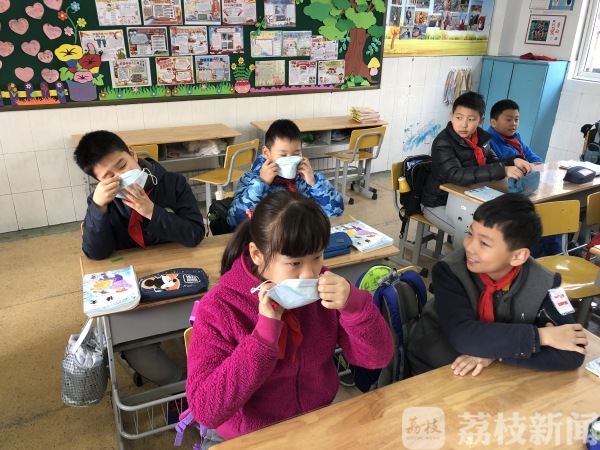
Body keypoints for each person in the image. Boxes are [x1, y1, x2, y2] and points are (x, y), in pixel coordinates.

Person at [187, 191, 393, 447]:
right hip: (245, 436)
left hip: (316, 420)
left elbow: (378, 357)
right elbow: (206, 410)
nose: (309, 274)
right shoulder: (220, 307)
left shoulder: (326, 288)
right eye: (294, 263)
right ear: (257, 255)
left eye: (317, 257)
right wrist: (263, 338)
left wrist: (355, 306)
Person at [74, 130, 205, 385]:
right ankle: (180, 388)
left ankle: (205, 378)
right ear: (98, 182)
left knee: (205, 327)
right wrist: (98, 207)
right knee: (137, 346)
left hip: (180, 282)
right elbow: (96, 253)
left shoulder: (173, 184)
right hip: (136, 290)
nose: (121, 176)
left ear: (133, 154)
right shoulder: (104, 202)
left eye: (123, 165)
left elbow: (194, 234)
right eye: (109, 177)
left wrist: (153, 212)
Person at [407, 194, 588, 376]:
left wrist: (495, 354)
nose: (469, 247)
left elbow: (574, 352)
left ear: (518, 256)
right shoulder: (449, 271)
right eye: (470, 233)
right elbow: (462, 336)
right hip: (435, 368)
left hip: (491, 375)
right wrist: (541, 337)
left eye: (484, 243)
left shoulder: (546, 284)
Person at [421, 91, 532, 241]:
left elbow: (491, 162)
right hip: (438, 203)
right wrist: (503, 170)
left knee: (495, 230)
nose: (464, 124)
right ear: (451, 116)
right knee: (472, 235)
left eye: (471, 119)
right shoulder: (443, 142)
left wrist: (514, 160)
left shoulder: (480, 138)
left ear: (481, 120)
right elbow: (456, 175)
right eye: (459, 118)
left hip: (467, 199)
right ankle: (459, 256)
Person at [227, 119, 344, 228]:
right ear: (266, 153)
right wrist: (261, 184)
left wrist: (315, 183)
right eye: (283, 155)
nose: (290, 159)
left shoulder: (306, 179)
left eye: (296, 154)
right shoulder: (250, 179)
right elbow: (235, 222)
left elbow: (337, 211)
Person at [487, 99, 543, 164]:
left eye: (516, 119)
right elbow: (495, 167)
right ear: (493, 123)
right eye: (508, 120)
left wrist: (539, 165)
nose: (513, 124)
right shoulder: (487, 143)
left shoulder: (515, 138)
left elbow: (530, 155)